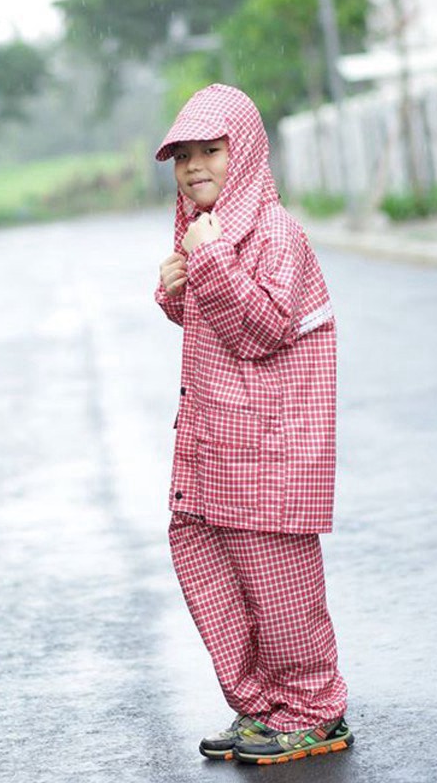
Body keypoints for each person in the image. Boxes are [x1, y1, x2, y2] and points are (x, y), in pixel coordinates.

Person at [153, 83, 353, 765]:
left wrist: (208, 261)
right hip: (218, 442)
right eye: (183, 157)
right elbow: (213, 323)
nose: (194, 168)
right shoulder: (209, 231)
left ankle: (314, 710)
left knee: (279, 586)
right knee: (211, 564)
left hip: (270, 448)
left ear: (245, 155)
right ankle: (265, 702)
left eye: (210, 151)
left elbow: (262, 329)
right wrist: (177, 288)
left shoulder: (274, 233)